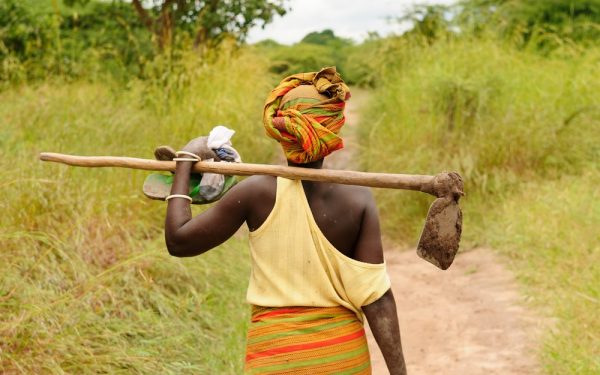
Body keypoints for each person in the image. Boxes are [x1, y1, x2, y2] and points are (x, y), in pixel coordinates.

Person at [164, 67, 407, 374]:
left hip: (276, 358)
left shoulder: (254, 192)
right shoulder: (358, 199)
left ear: (281, 131)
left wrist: (185, 161)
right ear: (332, 130)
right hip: (342, 358)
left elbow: (179, 241)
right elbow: (376, 298)